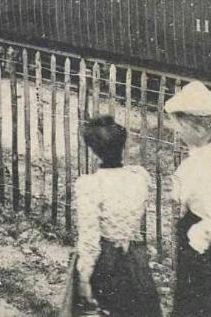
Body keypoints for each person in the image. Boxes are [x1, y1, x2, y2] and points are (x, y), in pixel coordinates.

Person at [70, 115, 161, 317]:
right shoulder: (139, 177)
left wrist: (84, 276)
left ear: (93, 152)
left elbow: (89, 236)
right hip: (135, 258)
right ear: (123, 145)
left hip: (106, 260)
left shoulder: (90, 185)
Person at [164, 81, 211, 317]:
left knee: (200, 304)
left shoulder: (205, 163)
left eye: (182, 124)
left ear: (200, 126)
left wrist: (198, 236)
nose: (178, 131)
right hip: (202, 238)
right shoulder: (210, 154)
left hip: (207, 244)